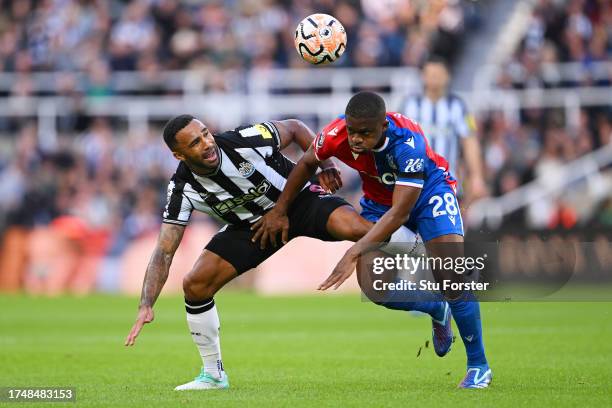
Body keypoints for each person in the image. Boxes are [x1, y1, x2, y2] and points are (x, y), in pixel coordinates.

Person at [124, 114, 410, 391]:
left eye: (205, 134)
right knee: (195, 285)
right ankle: (213, 376)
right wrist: (146, 304)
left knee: (362, 230)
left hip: (299, 201)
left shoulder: (243, 140)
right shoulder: (182, 189)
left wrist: (326, 165)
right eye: (195, 143)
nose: (207, 144)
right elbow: (164, 250)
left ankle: (436, 274)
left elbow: (297, 128)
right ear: (179, 156)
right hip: (253, 228)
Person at [253, 92, 492, 388]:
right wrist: (280, 210)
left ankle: (478, 365)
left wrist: (354, 251)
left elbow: (400, 212)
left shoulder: (408, 143)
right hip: (379, 203)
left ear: (383, 126)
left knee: (451, 274)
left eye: (365, 133)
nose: (355, 139)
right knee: (374, 286)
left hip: (429, 194)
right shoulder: (336, 133)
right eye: (352, 131)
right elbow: (304, 164)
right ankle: (435, 307)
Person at [400, 56, 487, 205]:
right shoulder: (409, 105)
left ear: (447, 77)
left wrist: (476, 177)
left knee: (449, 227)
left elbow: (470, 142)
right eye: (430, 75)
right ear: (423, 77)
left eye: (438, 75)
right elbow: (398, 141)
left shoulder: (458, 106)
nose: (434, 79)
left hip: (447, 182)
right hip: (413, 182)